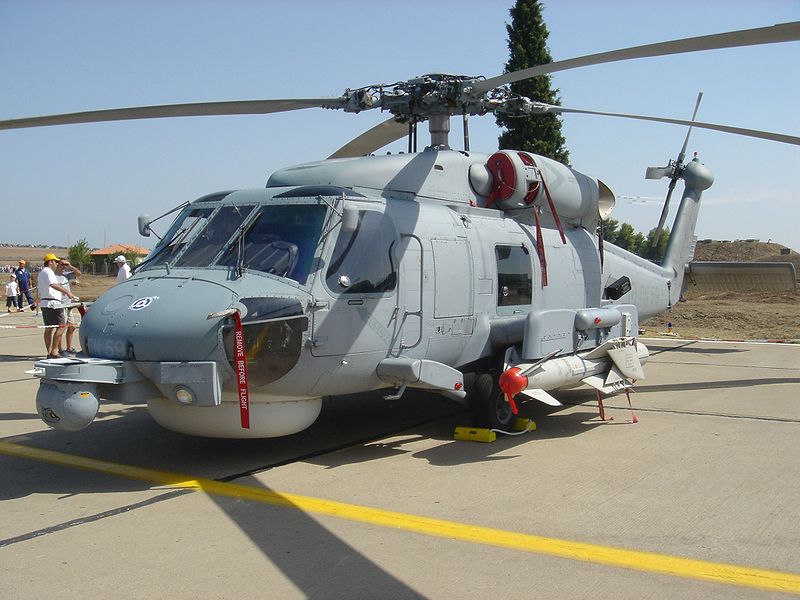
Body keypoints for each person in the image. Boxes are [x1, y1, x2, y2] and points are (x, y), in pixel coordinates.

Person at [37, 253, 77, 358]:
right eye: (55, 261)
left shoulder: (42, 272)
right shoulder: (49, 271)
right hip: (52, 303)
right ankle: (54, 351)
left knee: (49, 328)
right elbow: (53, 285)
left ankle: (49, 352)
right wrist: (67, 292)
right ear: (50, 262)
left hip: (45, 303)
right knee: (62, 326)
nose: (56, 263)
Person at [55, 258, 82, 354]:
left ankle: (69, 347)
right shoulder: (54, 276)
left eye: (65, 264)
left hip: (68, 304)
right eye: (62, 264)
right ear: (57, 264)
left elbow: (78, 274)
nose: (64, 266)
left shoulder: (66, 275)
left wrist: (70, 266)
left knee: (72, 326)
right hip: (60, 304)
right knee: (61, 327)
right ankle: (60, 349)